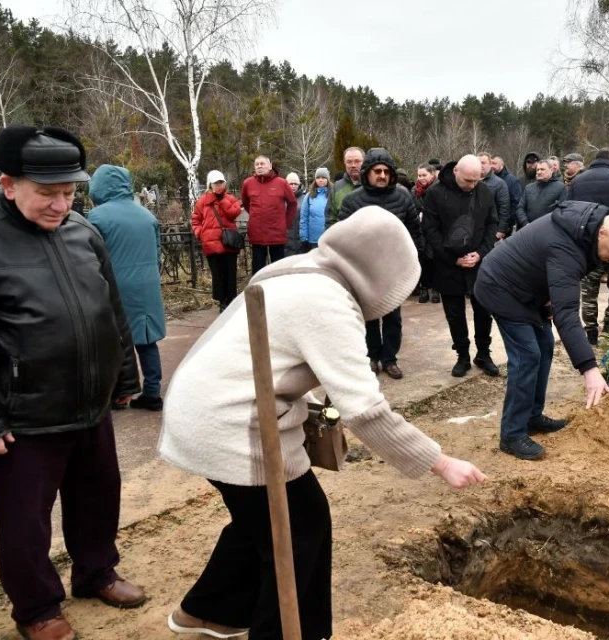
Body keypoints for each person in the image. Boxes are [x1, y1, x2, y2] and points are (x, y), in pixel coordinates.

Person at [159, 206, 486, 640]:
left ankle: (210, 612)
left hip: (199, 406)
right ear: (381, 274)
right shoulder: (327, 302)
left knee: (261, 520)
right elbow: (365, 409)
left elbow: (281, 355)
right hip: (231, 423)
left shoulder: (297, 267)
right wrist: (440, 462)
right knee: (299, 528)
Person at [0, 125, 146, 640]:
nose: (61, 205)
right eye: (47, 194)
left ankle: (96, 572)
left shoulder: (84, 231)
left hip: (90, 402)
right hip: (23, 415)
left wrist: (124, 372)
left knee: (99, 496)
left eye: (70, 191)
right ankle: (37, 609)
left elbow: (111, 309)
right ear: (9, 184)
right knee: (24, 523)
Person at [474, 204, 609, 460]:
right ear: (603, 233)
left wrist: (549, 298)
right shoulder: (567, 247)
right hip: (500, 286)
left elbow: (554, 276)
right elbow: (568, 315)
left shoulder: (586, 232)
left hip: (527, 288)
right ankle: (512, 435)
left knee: (545, 345)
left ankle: (532, 417)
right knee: (528, 355)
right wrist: (589, 369)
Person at [87, 165, 167, 412]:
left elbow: (91, 258)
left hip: (115, 287)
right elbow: (157, 254)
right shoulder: (147, 216)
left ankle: (120, 394)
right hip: (148, 285)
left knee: (115, 340)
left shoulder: (96, 218)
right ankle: (152, 392)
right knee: (147, 339)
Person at [338, 148, 423, 380]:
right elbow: (341, 235)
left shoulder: (403, 196)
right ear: (367, 173)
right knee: (370, 316)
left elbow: (415, 231)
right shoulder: (352, 200)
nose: (382, 175)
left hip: (394, 268)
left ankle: (390, 359)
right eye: (378, 171)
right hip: (364, 269)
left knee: (393, 316)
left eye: (386, 171)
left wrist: (416, 259)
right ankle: (372, 357)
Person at [422, 155, 500, 378]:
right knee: (455, 315)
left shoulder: (484, 191)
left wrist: (482, 252)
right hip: (448, 265)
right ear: (456, 171)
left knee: (484, 312)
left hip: (479, 263)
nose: (472, 185)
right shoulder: (436, 193)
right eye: (468, 180)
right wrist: (452, 259)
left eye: (476, 180)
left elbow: (491, 223)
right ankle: (463, 356)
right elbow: (430, 231)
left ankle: (483, 354)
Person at [568, 148, 609, 344]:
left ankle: (590, 331)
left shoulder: (578, 181)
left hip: (587, 244)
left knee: (589, 288)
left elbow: (569, 211)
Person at [192, 170, 243, 313]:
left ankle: (231, 300)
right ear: (210, 185)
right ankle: (222, 301)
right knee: (217, 275)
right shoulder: (202, 201)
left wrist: (222, 200)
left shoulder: (230, 199)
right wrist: (199, 233)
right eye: (216, 183)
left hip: (228, 243)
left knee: (230, 274)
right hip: (211, 243)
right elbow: (196, 220)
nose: (219, 186)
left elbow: (234, 213)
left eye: (221, 182)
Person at [241, 156, 297, 273]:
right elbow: (246, 203)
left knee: (278, 269)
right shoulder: (248, 183)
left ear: (270, 166)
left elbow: (292, 203)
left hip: (277, 234)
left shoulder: (281, 183)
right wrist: (256, 216)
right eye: (257, 164)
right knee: (258, 268)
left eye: (262, 163)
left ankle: (278, 291)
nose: (259, 166)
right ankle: (258, 291)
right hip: (257, 234)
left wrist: (285, 224)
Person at [413, 163, 441, 304]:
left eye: (424, 175)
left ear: (432, 174)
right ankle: (423, 288)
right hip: (420, 230)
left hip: (436, 230)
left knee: (435, 260)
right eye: (419, 175)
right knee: (422, 260)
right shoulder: (414, 191)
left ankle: (436, 289)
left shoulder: (439, 189)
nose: (421, 178)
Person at [516, 159, 567, 228]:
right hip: (528, 230)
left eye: (542, 169)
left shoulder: (560, 187)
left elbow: (563, 211)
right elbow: (520, 208)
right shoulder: (529, 188)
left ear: (551, 170)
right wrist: (525, 223)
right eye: (538, 170)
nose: (539, 172)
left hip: (549, 230)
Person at [325, 146, 364, 228]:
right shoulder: (336, 188)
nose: (353, 165)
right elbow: (330, 219)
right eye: (349, 162)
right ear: (344, 164)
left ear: (364, 162)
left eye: (357, 161)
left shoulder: (372, 185)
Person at [478, 152, 510, 242]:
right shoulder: (472, 181)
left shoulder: (499, 183)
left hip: (491, 230)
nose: (480, 165)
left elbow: (504, 208)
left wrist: (501, 230)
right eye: (478, 163)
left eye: (483, 163)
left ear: (490, 165)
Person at [491, 154, 522, 239]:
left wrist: (507, 226)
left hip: (504, 226)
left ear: (502, 165)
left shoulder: (511, 180)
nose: (492, 166)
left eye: (494, 163)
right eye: (491, 163)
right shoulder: (489, 179)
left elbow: (515, 203)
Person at [299, 168, 329, 252]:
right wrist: (304, 236)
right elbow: (304, 217)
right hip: (313, 240)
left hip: (329, 238)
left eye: (323, 178)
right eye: (318, 178)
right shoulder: (309, 196)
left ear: (327, 179)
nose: (320, 180)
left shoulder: (332, 195)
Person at [284, 172, 306, 256]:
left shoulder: (305, 199)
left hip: (301, 240)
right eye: (290, 184)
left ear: (299, 184)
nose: (293, 186)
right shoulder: (281, 200)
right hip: (285, 240)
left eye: (295, 184)